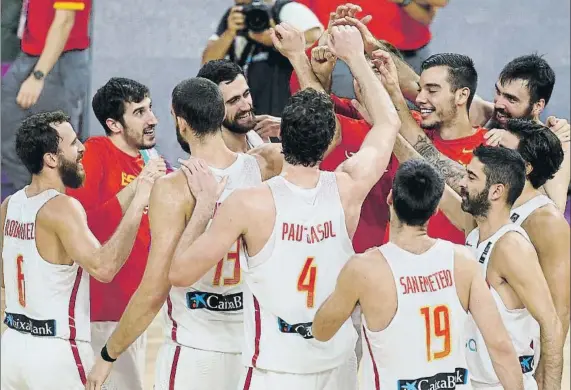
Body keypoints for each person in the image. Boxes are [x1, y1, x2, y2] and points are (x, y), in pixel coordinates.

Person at [168, 24, 401, 390]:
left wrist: (204, 207)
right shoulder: (348, 187)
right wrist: (355, 56)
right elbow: (389, 122)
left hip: (274, 370)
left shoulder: (247, 202)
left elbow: (179, 274)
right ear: (329, 141)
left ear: (279, 134)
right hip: (336, 366)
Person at [84, 77, 286, 390]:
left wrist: (109, 354)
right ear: (221, 115)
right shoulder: (265, 167)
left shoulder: (172, 188)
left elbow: (154, 290)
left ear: (181, 123)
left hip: (195, 351)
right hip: (254, 348)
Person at [312, 159, 523, 390]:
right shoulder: (463, 261)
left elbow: (321, 331)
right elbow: (501, 346)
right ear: (434, 209)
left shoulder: (364, 269)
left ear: (390, 198)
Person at [0, 111, 155, 389]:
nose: (82, 148)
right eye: (73, 143)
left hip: (11, 347)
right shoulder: (62, 207)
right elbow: (104, 268)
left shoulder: (10, 205)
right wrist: (139, 198)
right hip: (55, 352)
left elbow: (3, 280)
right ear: (51, 159)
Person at [66, 78, 168, 390]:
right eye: (139, 112)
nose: (152, 119)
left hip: (134, 314)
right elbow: (83, 227)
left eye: (150, 108)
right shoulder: (96, 152)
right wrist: (138, 187)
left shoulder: (151, 160)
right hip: (99, 314)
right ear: (114, 123)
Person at [436, 145, 564, 389]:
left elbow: (551, 323)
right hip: (473, 380)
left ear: (496, 191)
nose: (462, 182)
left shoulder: (511, 247)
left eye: (471, 177)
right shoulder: (475, 235)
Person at [1, 0, 92, 192]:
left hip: (60, 61)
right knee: (8, 135)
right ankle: (32, 204)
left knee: (56, 146)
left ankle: (54, 209)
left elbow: (65, 20)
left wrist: (38, 75)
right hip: (28, 54)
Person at [473, 54, 570, 212]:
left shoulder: (557, 140)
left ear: (537, 106)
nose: (499, 104)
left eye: (511, 99)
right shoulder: (490, 114)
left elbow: (554, 209)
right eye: (498, 92)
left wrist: (522, 148)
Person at [202, 0, 323, 116]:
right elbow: (207, 63)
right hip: (247, 112)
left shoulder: (284, 9)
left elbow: (316, 38)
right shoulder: (234, 15)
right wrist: (229, 32)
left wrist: (275, 38)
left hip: (285, 108)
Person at [197, 60, 267, 152]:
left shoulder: (260, 138)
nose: (246, 106)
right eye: (234, 100)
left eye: (246, 94)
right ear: (212, 108)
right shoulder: (210, 163)